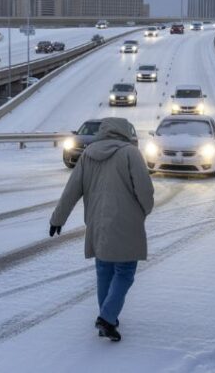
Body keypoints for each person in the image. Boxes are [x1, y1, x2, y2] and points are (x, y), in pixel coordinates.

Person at [49, 117, 154, 342]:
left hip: (97, 222)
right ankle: (107, 318)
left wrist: (58, 218)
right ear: (125, 132)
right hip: (127, 223)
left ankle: (107, 317)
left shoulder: (88, 154)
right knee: (125, 272)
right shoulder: (131, 153)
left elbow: (72, 189)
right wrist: (145, 210)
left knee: (104, 271)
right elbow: (145, 189)